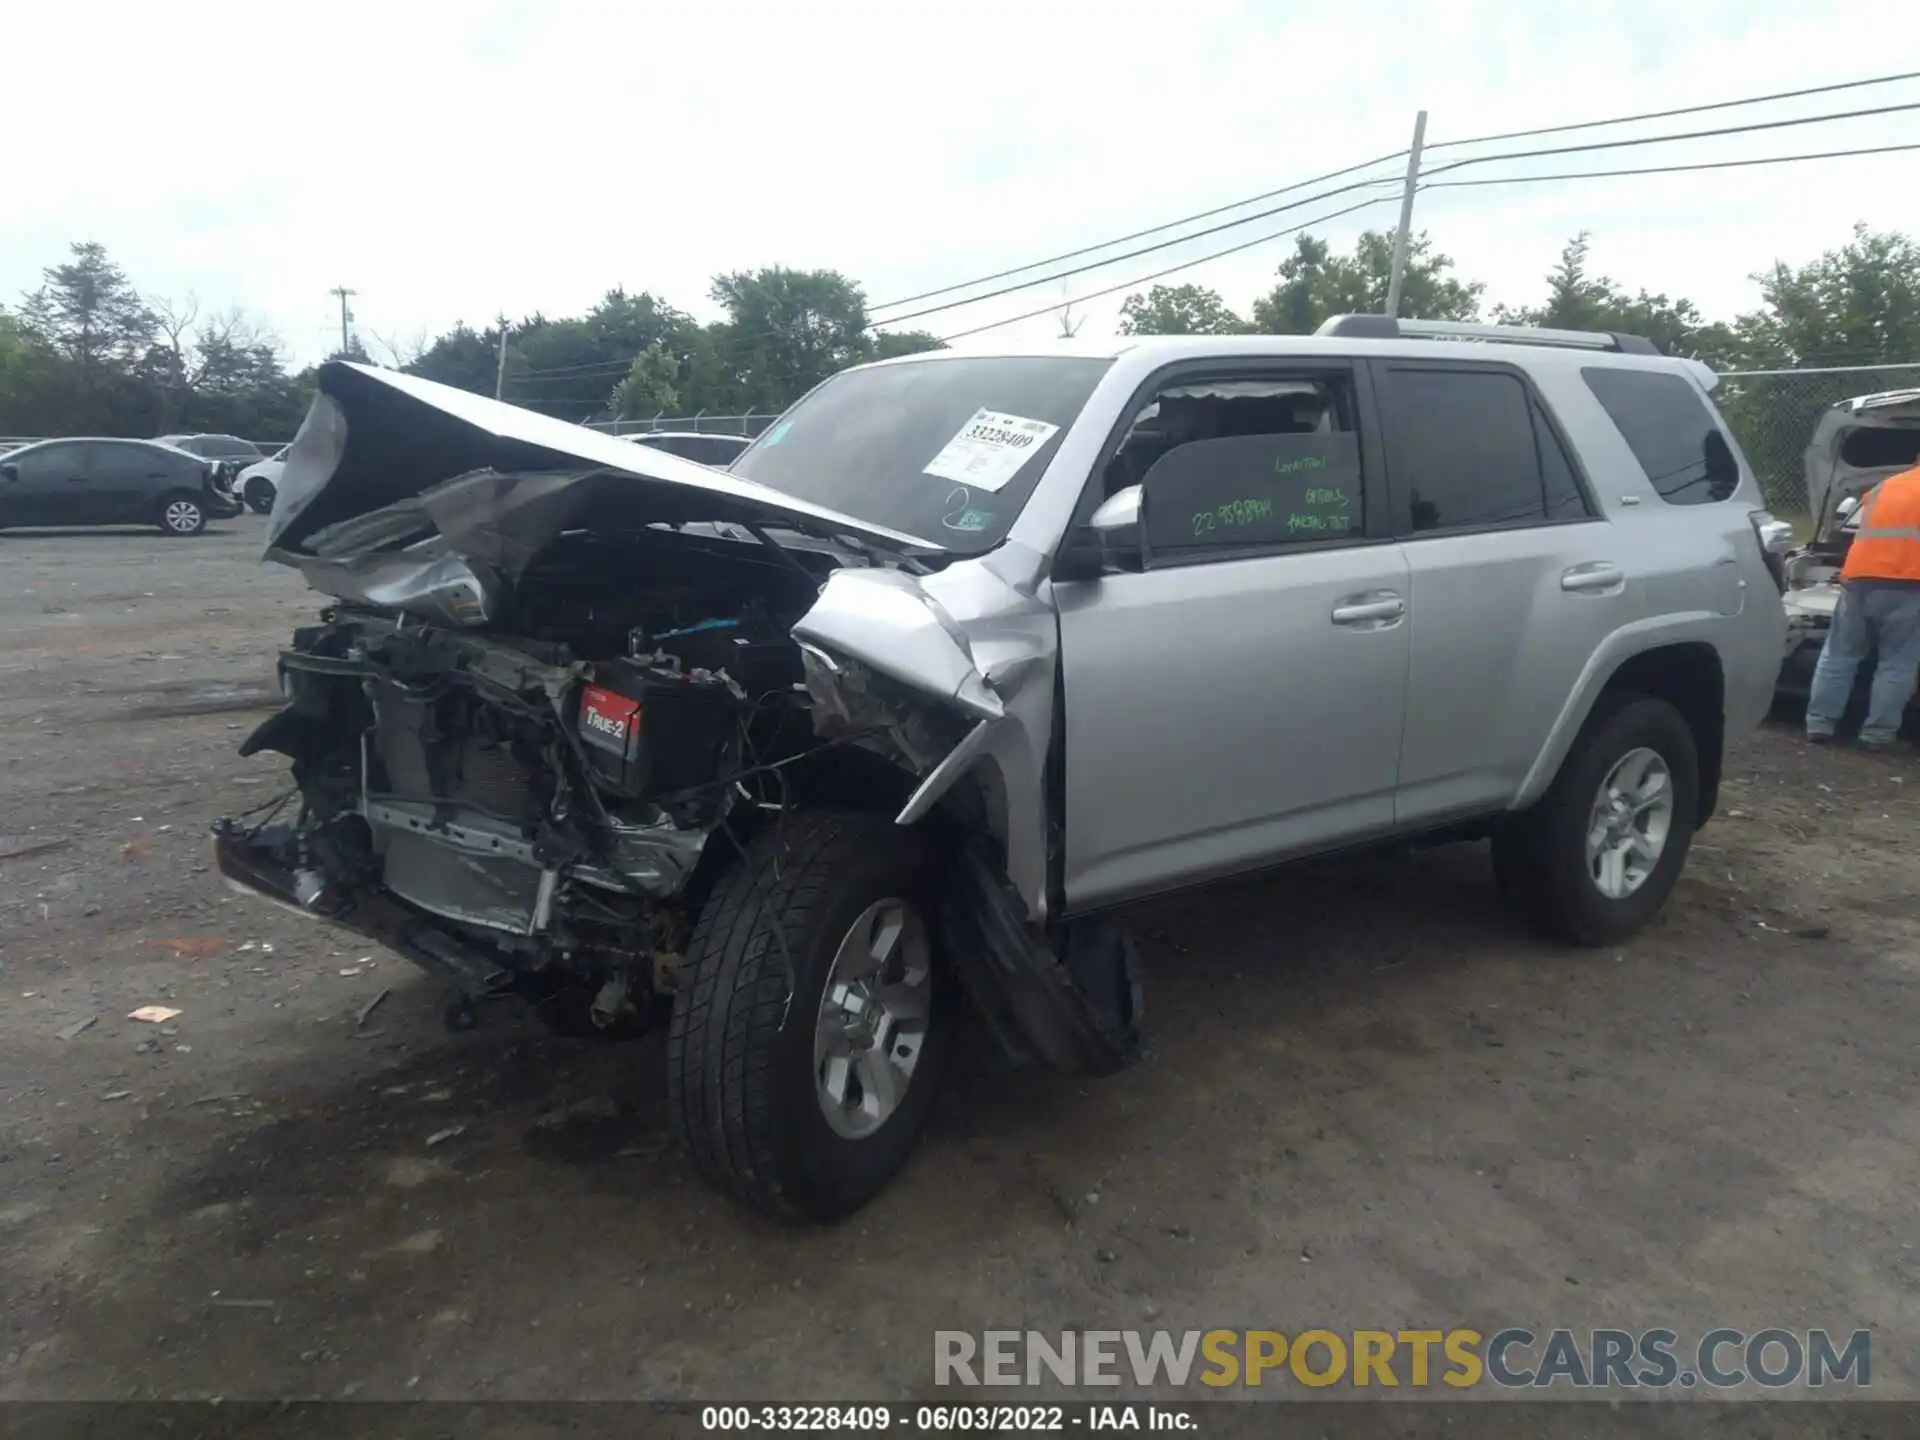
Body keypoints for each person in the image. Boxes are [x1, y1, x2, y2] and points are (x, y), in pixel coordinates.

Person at [1806, 461, 1920, 750]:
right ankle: (1877, 735)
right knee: (1896, 664)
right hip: (1910, 583)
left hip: (1859, 578)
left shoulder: (1886, 485)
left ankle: (1819, 724)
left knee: (1839, 655)